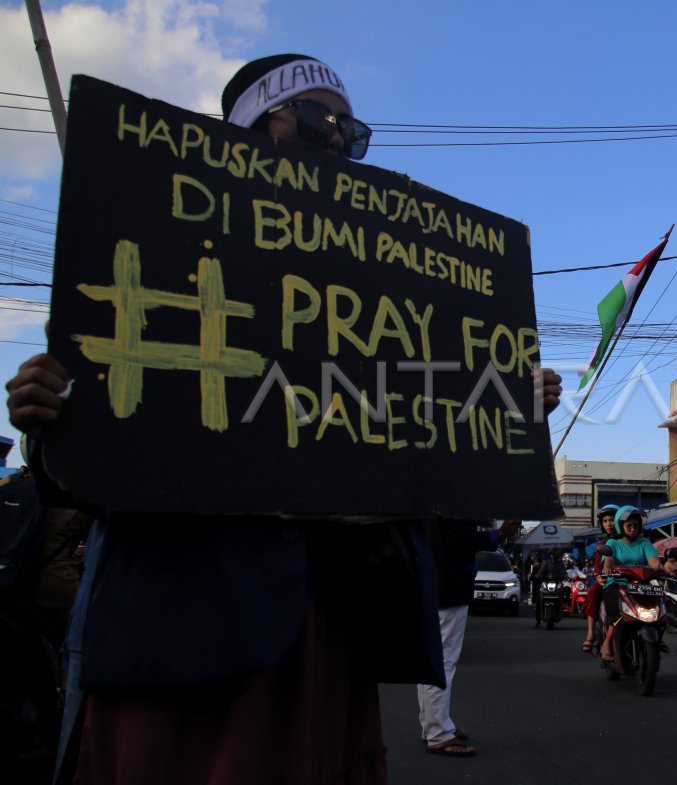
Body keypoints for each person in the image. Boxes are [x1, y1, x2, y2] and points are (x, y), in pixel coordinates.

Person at [6, 54, 565, 785]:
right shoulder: (161, 245)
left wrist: (505, 406)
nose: (335, 139)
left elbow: (418, 444)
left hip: (329, 629)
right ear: (246, 128)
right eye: (313, 117)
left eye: (352, 130)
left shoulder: (382, 289)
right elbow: (98, 460)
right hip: (187, 629)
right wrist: (49, 416)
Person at [419, 519, 520, 758]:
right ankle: (438, 733)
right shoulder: (456, 500)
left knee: (432, 658)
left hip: (431, 586)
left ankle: (432, 724)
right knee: (444, 660)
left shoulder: (431, 499)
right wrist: (497, 535)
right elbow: (458, 542)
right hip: (449, 588)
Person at [598, 506, 660, 664]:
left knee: (659, 610)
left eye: (635, 525)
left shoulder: (644, 542)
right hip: (617, 584)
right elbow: (609, 558)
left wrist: (659, 569)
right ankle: (607, 643)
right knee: (618, 613)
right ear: (621, 527)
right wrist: (607, 568)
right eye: (629, 525)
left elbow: (654, 561)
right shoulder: (613, 543)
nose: (633, 529)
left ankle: (658, 638)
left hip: (640, 585)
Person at [581, 505, 620, 653]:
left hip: (629, 581)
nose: (609, 524)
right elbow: (599, 568)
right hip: (608, 580)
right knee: (593, 592)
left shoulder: (630, 539)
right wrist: (599, 577)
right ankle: (590, 634)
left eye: (611, 520)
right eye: (605, 521)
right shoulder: (602, 544)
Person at [533, 548, 568, 628]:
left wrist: (565, 576)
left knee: (563, 596)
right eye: (552, 554)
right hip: (546, 583)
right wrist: (538, 575)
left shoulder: (560, 564)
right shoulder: (546, 563)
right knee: (538, 600)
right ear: (550, 555)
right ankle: (538, 620)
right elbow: (541, 571)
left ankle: (562, 612)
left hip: (557, 583)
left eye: (554, 554)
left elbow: (564, 572)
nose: (553, 556)